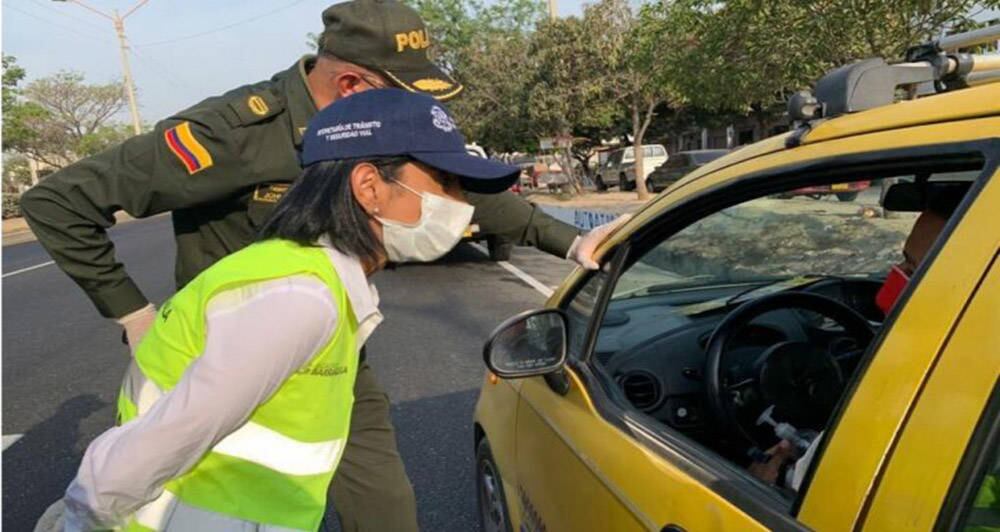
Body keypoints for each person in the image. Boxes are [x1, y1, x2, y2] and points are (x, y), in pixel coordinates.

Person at [19, 1, 619, 529]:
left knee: (379, 497)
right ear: (355, 84)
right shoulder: (234, 133)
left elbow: (460, 188)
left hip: (332, 349)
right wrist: (132, 311)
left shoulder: (382, 131)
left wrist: (570, 242)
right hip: (239, 352)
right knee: (200, 490)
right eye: (403, 93)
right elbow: (56, 201)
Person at [32, 88, 525, 532]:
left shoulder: (312, 276)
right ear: (369, 186)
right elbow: (177, 430)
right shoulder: (298, 298)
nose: (460, 204)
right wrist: (82, 516)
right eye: (446, 182)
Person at [749, 191, 959, 490]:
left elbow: (828, 491)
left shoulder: (925, 390)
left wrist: (778, 476)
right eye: (901, 263)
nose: (889, 287)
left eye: (912, 269)